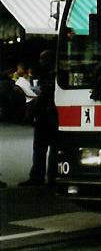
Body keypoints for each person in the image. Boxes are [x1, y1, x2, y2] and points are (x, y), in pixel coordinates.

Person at [20, 49, 58, 186]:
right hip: (47, 115)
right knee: (43, 148)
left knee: (46, 148)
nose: (41, 61)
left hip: (49, 115)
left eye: (43, 59)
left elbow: (42, 95)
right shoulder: (45, 75)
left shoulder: (53, 76)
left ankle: (42, 176)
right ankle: (46, 176)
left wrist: (32, 110)